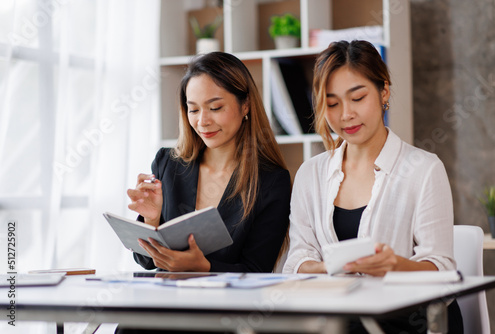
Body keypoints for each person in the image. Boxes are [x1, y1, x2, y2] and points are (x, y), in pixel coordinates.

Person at [282, 40, 463, 333]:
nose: (345, 115)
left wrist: (396, 265)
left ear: (384, 92)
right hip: (341, 316)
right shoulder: (310, 174)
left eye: (357, 98)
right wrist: (332, 268)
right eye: (332, 103)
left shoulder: (424, 169)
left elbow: (442, 268)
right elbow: (297, 263)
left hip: (410, 318)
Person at [126, 51, 290, 275]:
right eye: (193, 109)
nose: (202, 121)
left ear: (245, 106)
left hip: (225, 306)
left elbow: (257, 270)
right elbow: (145, 262)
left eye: (215, 108)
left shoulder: (271, 182)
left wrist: (203, 267)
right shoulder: (168, 163)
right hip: (168, 302)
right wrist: (151, 220)